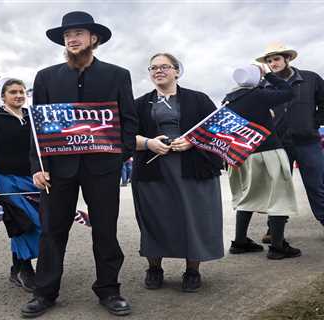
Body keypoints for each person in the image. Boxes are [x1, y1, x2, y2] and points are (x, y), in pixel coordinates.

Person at [21, 11, 138, 318]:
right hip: (57, 169)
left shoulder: (117, 74)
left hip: (104, 165)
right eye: (67, 35)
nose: (71, 39)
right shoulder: (46, 77)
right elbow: (38, 128)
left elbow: (129, 119)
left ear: (93, 39)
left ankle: (109, 289)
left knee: (105, 230)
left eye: (78, 34)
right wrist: (37, 165)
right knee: (52, 230)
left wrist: (120, 153)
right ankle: (44, 292)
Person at [132, 53, 224, 293]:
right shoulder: (139, 103)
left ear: (177, 71)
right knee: (155, 219)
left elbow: (217, 129)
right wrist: (149, 143)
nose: (158, 71)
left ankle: (192, 271)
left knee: (194, 219)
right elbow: (124, 136)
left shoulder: (199, 99)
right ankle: (154, 268)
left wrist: (193, 141)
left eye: (164, 67)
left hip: (193, 169)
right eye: (153, 67)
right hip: (153, 171)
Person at [226, 64, 301, 259]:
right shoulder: (258, 95)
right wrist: (269, 74)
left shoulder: (229, 99)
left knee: (247, 197)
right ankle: (277, 246)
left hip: (242, 154)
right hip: (268, 151)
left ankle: (240, 242)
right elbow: (289, 91)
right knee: (279, 196)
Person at [0, 77, 41, 293]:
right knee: (24, 223)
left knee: (41, 222)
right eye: (13, 92)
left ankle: (17, 268)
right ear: (2, 96)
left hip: (33, 179)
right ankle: (26, 269)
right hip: (5, 180)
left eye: (21, 91)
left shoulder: (34, 119)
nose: (18, 95)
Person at [255, 43, 324, 237]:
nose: (273, 63)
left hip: (308, 142)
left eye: (276, 59)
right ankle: (274, 230)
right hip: (277, 145)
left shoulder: (311, 79)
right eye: (269, 61)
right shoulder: (264, 85)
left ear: (287, 59)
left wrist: (313, 123)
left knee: (317, 185)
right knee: (278, 189)